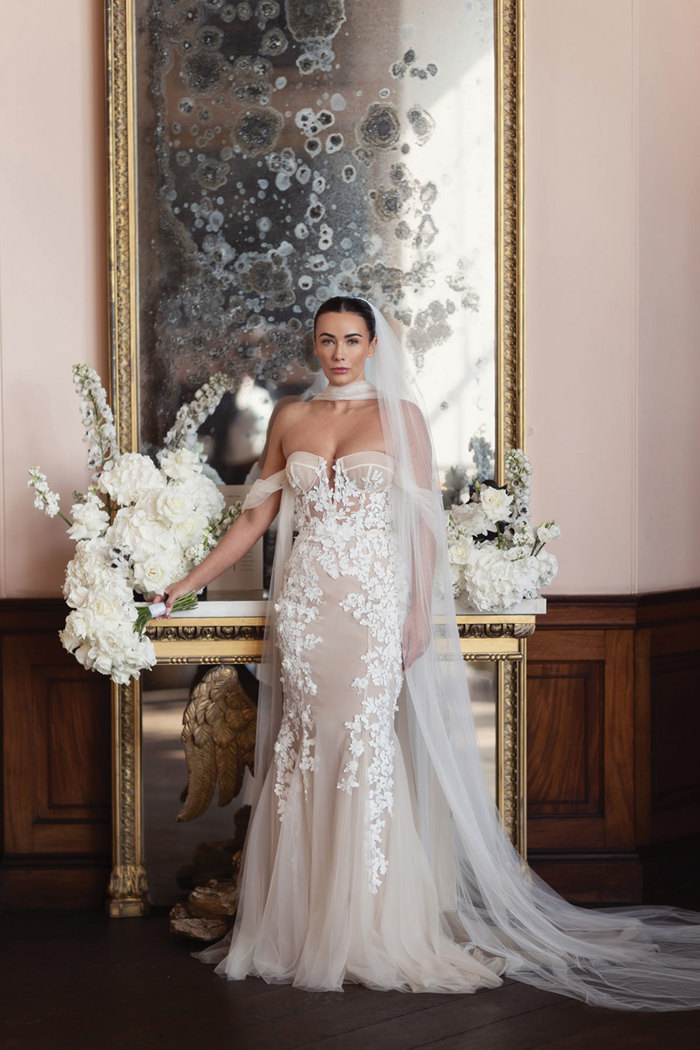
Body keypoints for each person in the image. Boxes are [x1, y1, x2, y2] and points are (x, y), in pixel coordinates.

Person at [158, 296, 700, 1008]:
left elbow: (421, 528)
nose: (340, 352)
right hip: (305, 608)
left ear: (374, 343)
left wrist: (416, 614)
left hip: (371, 609)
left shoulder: (402, 417)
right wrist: (184, 584)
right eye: (327, 340)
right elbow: (256, 516)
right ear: (314, 347)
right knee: (301, 752)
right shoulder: (292, 418)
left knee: (363, 752)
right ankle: (297, 925)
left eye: (352, 339)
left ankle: (371, 924)